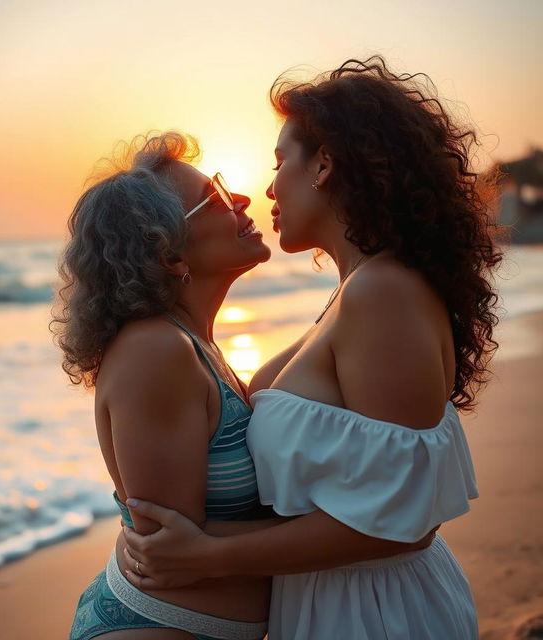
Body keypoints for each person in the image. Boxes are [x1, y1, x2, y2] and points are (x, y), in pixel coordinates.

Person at [120, 57, 503, 639]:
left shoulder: (382, 291)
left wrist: (206, 554)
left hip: (376, 614)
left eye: (280, 163)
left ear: (324, 163)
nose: (269, 188)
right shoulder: (358, 290)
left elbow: (404, 522)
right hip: (338, 599)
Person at [52, 130, 437, 640]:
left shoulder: (195, 345)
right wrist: (369, 523)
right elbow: (170, 543)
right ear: (168, 255)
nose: (241, 199)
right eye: (214, 196)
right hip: (159, 627)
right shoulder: (154, 350)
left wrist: (375, 517)